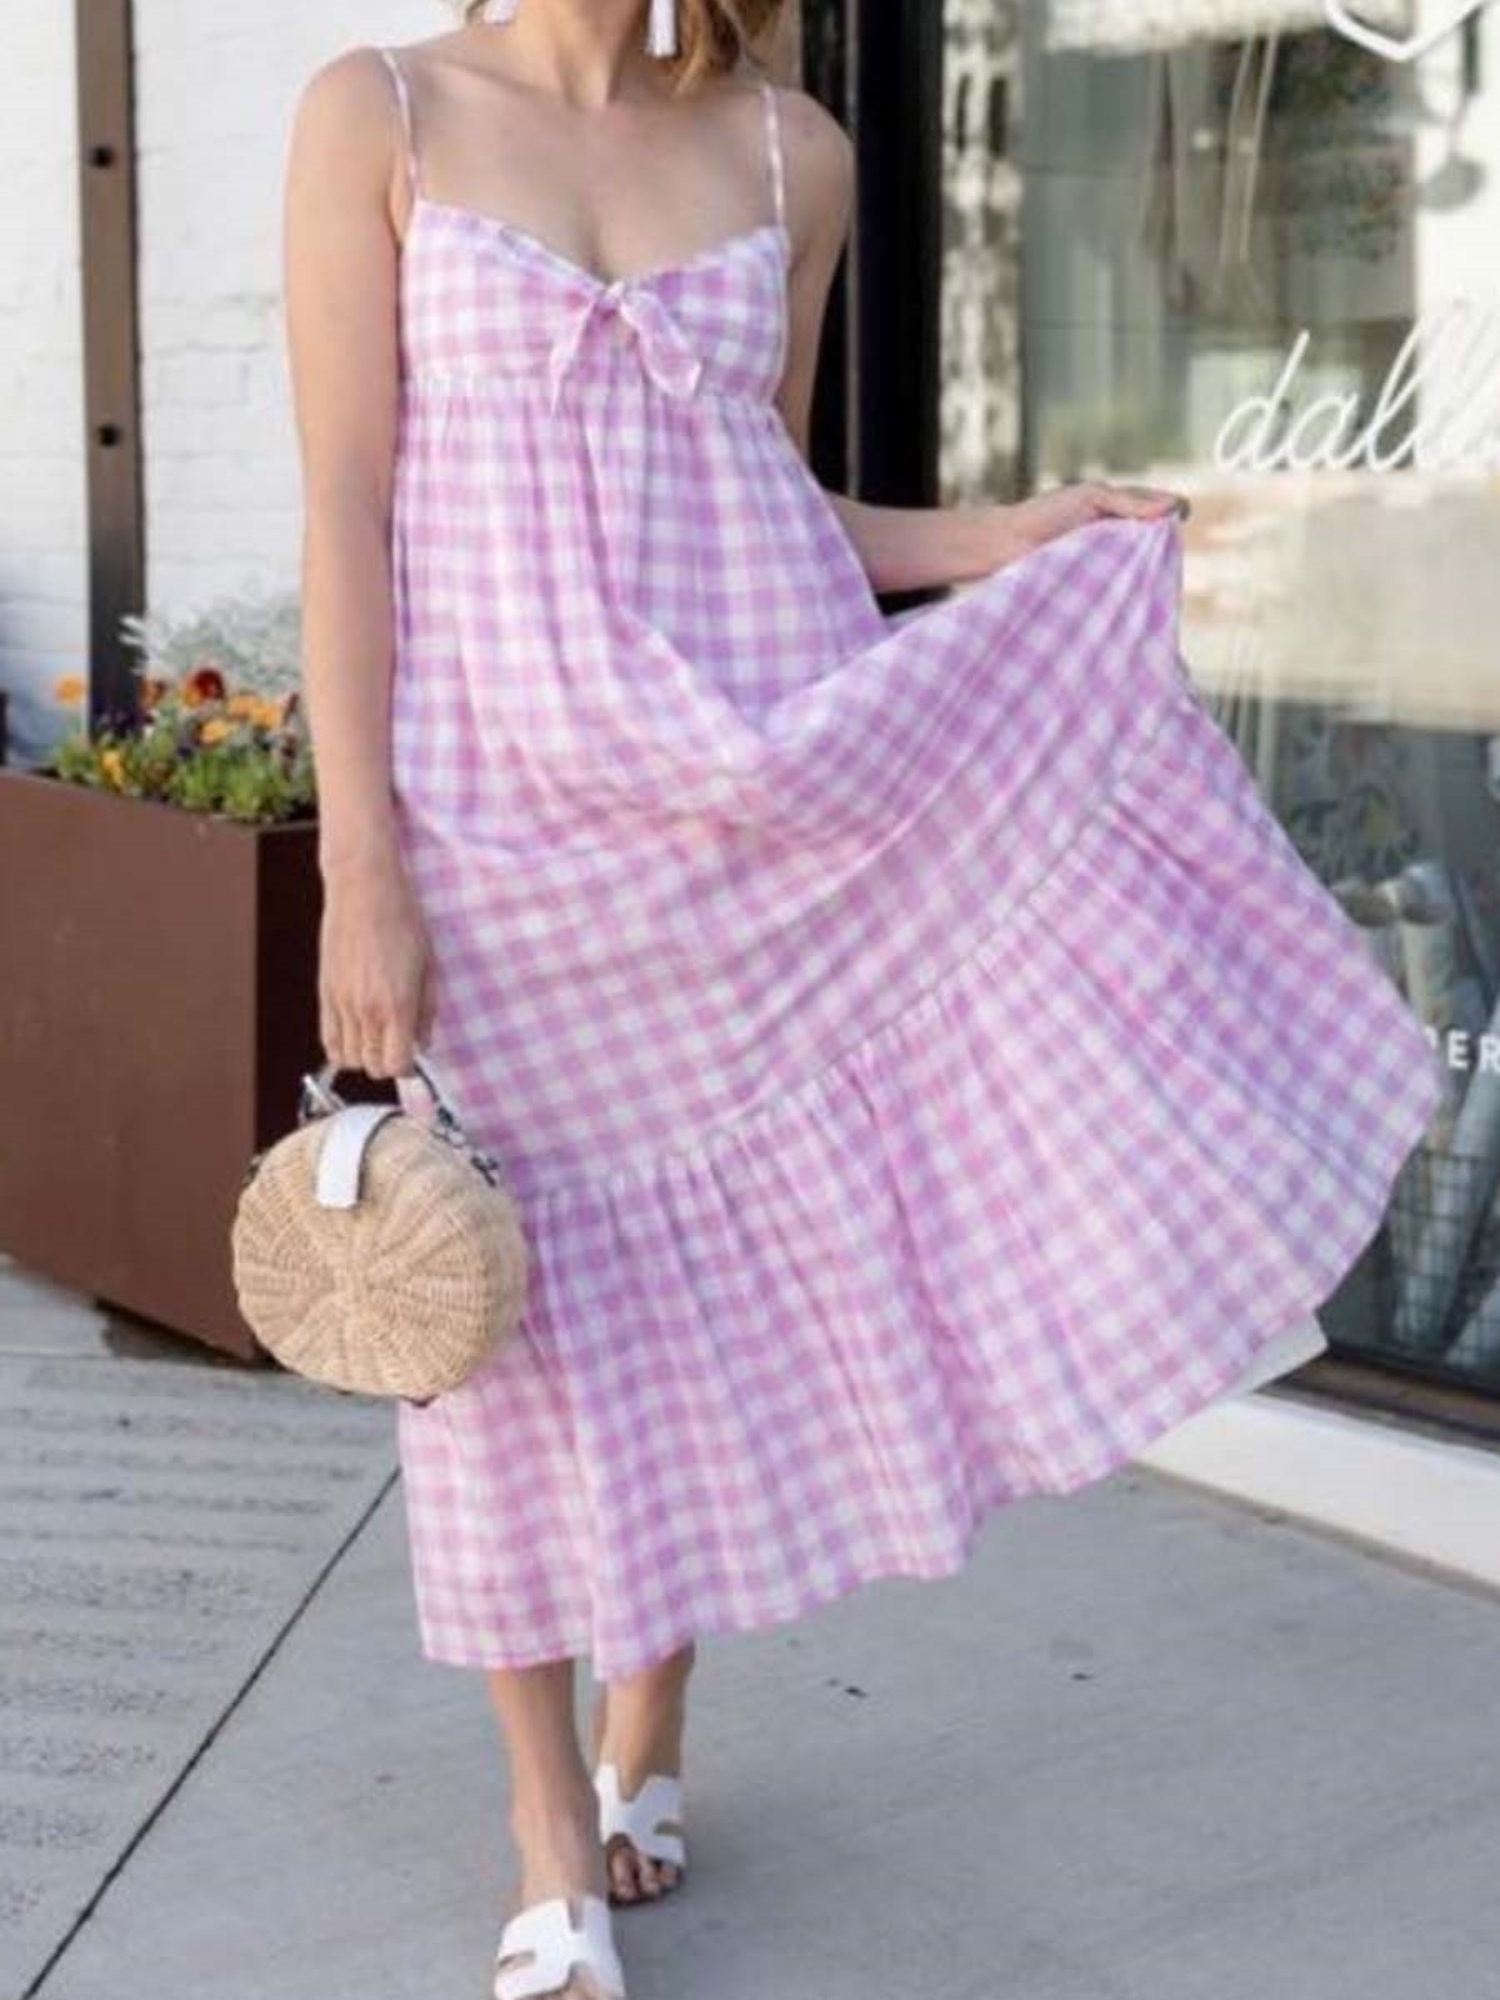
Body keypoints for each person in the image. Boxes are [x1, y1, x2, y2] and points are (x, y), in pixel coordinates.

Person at [281, 4, 1443, 1995]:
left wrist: (1007, 540)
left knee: (699, 1279)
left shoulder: (789, 152)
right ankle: (547, 1820)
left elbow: (776, 499)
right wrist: (358, 860)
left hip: (759, 785)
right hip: (498, 823)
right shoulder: (376, 113)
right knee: (509, 1324)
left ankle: (653, 1720)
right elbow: (345, 504)